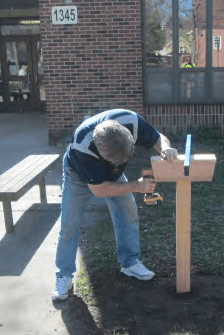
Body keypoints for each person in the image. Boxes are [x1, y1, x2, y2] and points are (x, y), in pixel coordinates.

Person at [52, 109, 178, 301]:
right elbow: (99, 189)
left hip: (111, 174)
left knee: (128, 211)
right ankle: (64, 275)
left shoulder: (132, 121)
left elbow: (157, 138)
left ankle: (130, 263)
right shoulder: (83, 146)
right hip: (76, 174)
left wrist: (165, 148)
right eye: (118, 160)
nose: (123, 163)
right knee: (70, 223)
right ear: (102, 152)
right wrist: (136, 186)